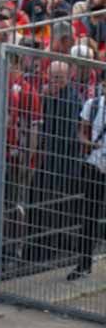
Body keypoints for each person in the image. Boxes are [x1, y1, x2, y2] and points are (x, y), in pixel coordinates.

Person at [68, 82, 106, 279]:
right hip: (94, 165)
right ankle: (83, 264)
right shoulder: (92, 105)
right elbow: (81, 132)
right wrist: (89, 143)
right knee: (89, 216)